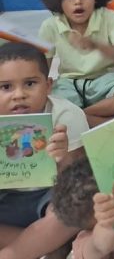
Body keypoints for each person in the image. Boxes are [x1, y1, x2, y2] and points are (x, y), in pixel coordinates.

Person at [0, 43, 89, 259]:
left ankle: (16, 253)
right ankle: (50, 247)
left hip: (52, 195)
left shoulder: (66, 115)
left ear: (48, 85)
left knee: (80, 202)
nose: (19, 95)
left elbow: (80, 176)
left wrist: (63, 157)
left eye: (30, 83)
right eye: (6, 87)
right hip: (7, 199)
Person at [38, 0, 114, 109]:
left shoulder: (108, 17)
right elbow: (43, 65)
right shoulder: (50, 26)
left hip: (107, 78)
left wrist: (96, 46)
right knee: (52, 105)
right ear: (58, 1)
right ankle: (94, 116)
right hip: (69, 83)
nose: (77, 1)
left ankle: (83, 115)